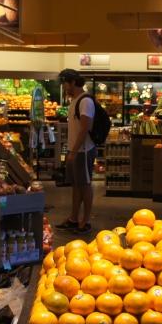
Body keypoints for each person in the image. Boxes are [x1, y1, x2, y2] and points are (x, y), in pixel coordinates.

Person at [58, 69, 95, 233]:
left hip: (83, 150)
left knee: (85, 185)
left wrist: (73, 151)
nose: (64, 87)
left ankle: (85, 221)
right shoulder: (74, 101)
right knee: (76, 185)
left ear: (73, 82)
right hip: (75, 150)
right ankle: (73, 219)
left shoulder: (85, 101)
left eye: (65, 83)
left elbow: (85, 128)